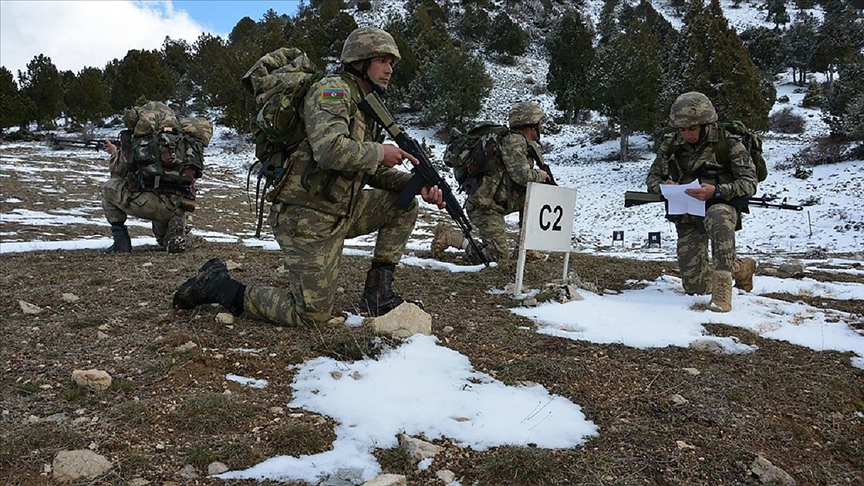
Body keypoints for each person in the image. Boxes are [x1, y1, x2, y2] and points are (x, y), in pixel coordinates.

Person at [173, 27, 445, 325]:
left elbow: (366, 168)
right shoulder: (332, 91)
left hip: (339, 210)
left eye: (392, 62)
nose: (389, 69)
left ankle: (378, 294)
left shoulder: (365, 107)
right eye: (382, 60)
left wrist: (416, 186)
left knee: (404, 204)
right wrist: (380, 152)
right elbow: (329, 150)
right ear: (360, 61)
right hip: (306, 218)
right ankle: (219, 285)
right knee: (311, 315)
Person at [646, 91, 758, 312]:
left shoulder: (729, 143)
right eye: (682, 129)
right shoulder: (672, 144)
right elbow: (652, 177)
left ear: (706, 124)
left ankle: (723, 293)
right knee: (695, 287)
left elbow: (749, 182)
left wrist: (717, 191)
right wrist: (666, 186)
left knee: (719, 215)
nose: (687, 134)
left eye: (692, 128)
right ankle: (742, 268)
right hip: (686, 210)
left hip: (719, 205)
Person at [431, 101, 551, 264]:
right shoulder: (515, 141)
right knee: (497, 259)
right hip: (485, 206)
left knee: (534, 197)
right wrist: (541, 175)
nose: (542, 127)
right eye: (540, 123)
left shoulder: (525, 143)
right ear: (531, 124)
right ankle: (452, 237)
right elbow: (521, 175)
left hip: (500, 202)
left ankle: (526, 247)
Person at [100, 136, 188, 254]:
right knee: (163, 240)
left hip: (149, 203)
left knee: (108, 187)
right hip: (178, 204)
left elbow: (117, 172)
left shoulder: (136, 140)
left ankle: (121, 241)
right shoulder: (179, 143)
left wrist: (114, 152)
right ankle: (175, 233)